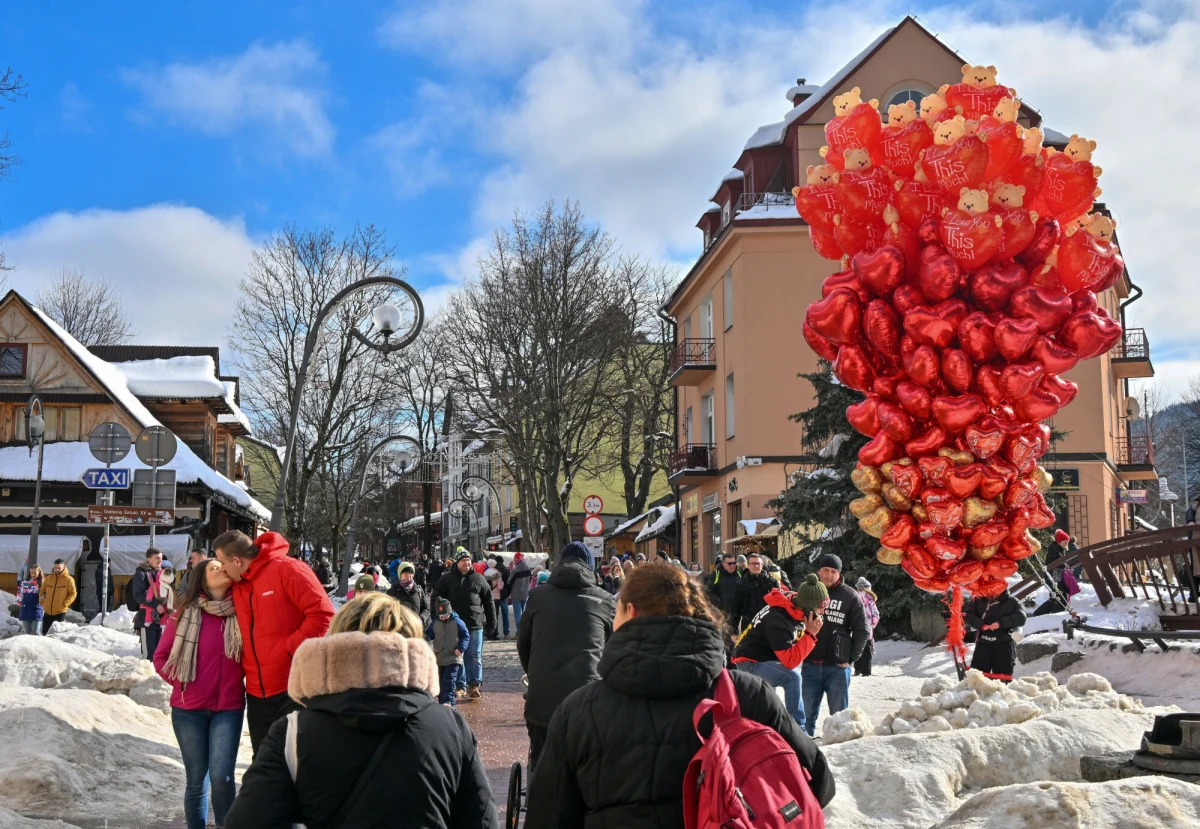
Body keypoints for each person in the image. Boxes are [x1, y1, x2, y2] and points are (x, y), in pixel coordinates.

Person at [524, 562, 834, 828]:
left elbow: (547, 818)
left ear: (631, 612)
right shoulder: (749, 696)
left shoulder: (579, 712)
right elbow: (818, 782)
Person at [224, 593, 499, 829]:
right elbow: (482, 821)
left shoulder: (292, 733)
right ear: (411, 648)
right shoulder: (449, 727)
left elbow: (248, 821)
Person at [213, 529, 335, 756]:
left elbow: (322, 614)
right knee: (264, 761)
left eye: (222, 562)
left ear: (237, 561)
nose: (222, 569)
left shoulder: (288, 569)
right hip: (257, 693)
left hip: (294, 687)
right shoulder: (238, 584)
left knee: (296, 762)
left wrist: (288, 651)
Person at [154, 558, 245, 829]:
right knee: (196, 780)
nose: (222, 569)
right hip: (188, 710)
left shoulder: (241, 611)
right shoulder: (184, 614)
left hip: (228, 708)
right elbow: (161, 657)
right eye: (214, 568)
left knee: (222, 777)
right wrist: (184, 683)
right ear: (203, 580)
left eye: (223, 565)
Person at [517, 541, 615, 774]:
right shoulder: (604, 600)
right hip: (589, 699)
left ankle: (541, 790)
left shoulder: (538, 596)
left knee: (542, 754)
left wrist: (533, 673)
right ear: (590, 567)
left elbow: (523, 642)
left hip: (543, 697)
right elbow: (614, 648)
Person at [731, 574, 827, 725]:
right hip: (749, 662)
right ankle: (798, 730)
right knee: (792, 678)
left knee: (769, 707)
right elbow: (790, 661)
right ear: (808, 607)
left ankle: (774, 733)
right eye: (820, 608)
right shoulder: (778, 619)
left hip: (763, 659)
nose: (822, 613)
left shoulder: (792, 604)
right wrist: (810, 635)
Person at [801, 553, 869, 737]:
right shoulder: (807, 593)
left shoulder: (850, 595)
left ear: (839, 574)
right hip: (810, 666)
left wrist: (851, 659)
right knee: (805, 718)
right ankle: (803, 754)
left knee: (839, 719)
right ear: (818, 571)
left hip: (838, 668)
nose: (829, 575)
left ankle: (839, 754)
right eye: (825, 570)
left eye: (833, 571)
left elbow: (862, 630)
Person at [432, 549, 495, 700]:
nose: (466, 563)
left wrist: (492, 622)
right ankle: (460, 685)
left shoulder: (479, 579)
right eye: (463, 560)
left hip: (475, 623)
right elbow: (436, 597)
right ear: (457, 562)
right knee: (457, 655)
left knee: (474, 654)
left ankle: (474, 684)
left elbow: (489, 601)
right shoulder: (446, 579)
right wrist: (438, 618)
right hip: (454, 625)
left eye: (468, 560)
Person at [965, 587, 1027, 682]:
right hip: (983, 644)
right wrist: (982, 625)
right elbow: (967, 615)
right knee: (976, 678)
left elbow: (1021, 617)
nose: (992, 593)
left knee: (1003, 680)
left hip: (1004, 645)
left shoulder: (1012, 601)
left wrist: (1000, 623)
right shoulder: (978, 600)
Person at [427, 597, 470, 707]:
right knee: (440, 683)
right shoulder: (435, 623)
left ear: (450, 612)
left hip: (453, 658)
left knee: (449, 682)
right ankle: (442, 703)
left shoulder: (457, 622)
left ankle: (449, 704)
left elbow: (465, 636)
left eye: (446, 615)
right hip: (439, 658)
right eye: (441, 615)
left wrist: (461, 648)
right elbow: (428, 635)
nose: (444, 617)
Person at [131, 549, 168, 658]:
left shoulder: (160, 573)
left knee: (158, 651)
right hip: (146, 616)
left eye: (161, 558)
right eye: (157, 558)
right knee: (149, 654)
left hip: (159, 616)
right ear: (148, 559)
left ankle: (155, 673)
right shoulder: (140, 574)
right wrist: (156, 604)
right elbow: (138, 596)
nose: (160, 560)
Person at [703, 552, 743, 646]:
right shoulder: (716, 574)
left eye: (734, 563)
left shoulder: (739, 573)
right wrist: (718, 602)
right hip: (722, 611)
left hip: (737, 612)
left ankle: (733, 656)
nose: (732, 565)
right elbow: (709, 591)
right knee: (723, 634)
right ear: (724, 563)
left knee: (734, 635)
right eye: (729, 563)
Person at [734, 551, 777, 635]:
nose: (756, 566)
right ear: (748, 565)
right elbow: (735, 608)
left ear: (762, 565)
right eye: (753, 563)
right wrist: (734, 630)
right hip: (748, 623)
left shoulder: (771, 582)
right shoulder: (741, 583)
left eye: (758, 563)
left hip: (767, 622)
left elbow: (779, 603)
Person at [39, 559, 77, 635]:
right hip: (47, 611)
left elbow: (73, 593)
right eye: (55, 567)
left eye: (59, 568)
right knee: (45, 632)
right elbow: (42, 591)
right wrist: (42, 601)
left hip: (60, 611)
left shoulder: (69, 580)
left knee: (56, 633)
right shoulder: (48, 578)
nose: (56, 569)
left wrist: (65, 603)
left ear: (64, 567)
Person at [387, 562, 430, 626]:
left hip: (416, 629)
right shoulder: (392, 591)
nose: (408, 575)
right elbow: (387, 611)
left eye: (411, 573)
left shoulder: (418, 590)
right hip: (399, 630)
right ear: (400, 574)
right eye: (405, 573)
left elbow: (426, 608)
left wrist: (421, 619)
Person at [854, 577, 880, 677]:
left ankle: (857, 669)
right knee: (866, 650)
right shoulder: (870, 599)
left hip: (855, 628)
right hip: (867, 628)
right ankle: (866, 671)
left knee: (857, 648)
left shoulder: (854, 597)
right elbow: (875, 614)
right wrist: (872, 624)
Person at [507, 551, 533, 632]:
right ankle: (526, 630)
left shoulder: (515, 571)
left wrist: (511, 569)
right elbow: (530, 581)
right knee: (525, 613)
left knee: (517, 614)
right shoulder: (528, 570)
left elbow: (509, 582)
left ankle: (519, 631)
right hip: (525, 593)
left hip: (516, 594)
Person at [17, 565, 43, 635]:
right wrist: (19, 602)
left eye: (35, 572)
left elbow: (45, 596)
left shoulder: (42, 584)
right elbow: (20, 594)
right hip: (25, 609)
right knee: (27, 633)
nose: (33, 574)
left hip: (37, 609)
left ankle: (40, 645)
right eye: (31, 573)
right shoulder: (24, 583)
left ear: (39, 572)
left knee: (36, 631)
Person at [493, 555, 511, 638]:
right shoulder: (507, 570)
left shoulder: (493, 570)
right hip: (504, 594)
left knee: (494, 614)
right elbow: (508, 583)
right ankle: (506, 632)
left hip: (494, 594)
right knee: (505, 613)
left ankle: (494, 631)